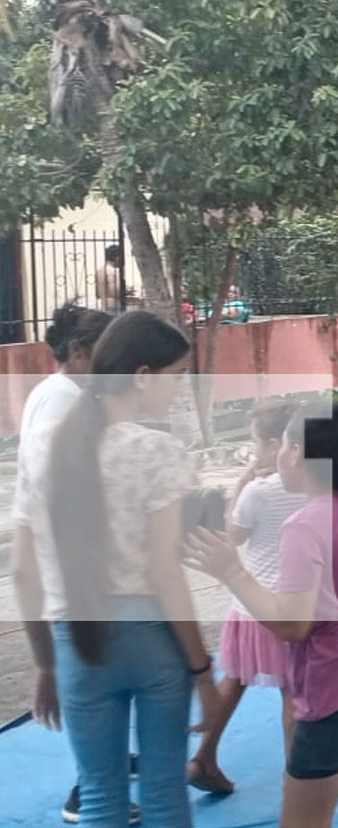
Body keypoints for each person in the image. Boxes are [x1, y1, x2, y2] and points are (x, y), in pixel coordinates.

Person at [15, 311, 221, 828]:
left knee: (102, 798)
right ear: (143, 374)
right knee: (164, 796)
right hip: (152, 643)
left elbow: (24, 570)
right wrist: (202, 671)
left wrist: (44, 662)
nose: (178, 390)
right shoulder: (158, 452)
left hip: (76, 642)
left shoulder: (42, 446)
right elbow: (165, 575)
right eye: (176, 377)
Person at [185, 403, 338, 828]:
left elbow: (292, 624)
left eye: (287, 443)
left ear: (297, 454)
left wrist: (231, 571)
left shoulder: (304, 526)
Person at [10, 305, 121, 824]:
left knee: (105, 676)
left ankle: (108, 764)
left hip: (78, 565)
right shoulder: (62, 406)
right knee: (90, 679)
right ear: (77, 352)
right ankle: (88, 788)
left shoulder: (64, 395)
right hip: (74, 569)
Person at [186, 398, 301, 796]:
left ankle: (204, 754)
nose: (254, 452)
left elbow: (231, 537)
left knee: (236, 679)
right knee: (293, 690)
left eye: (257, 443)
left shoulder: (258, 491)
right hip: (287, 607)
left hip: (250, 604)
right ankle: (296, 775)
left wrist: (241, 484)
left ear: (275, 445)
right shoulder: (313, 486)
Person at [94, 245, 129, 310]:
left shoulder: (100, 271)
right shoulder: (113, 271)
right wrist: (127, 290)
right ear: (116, 258)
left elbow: (97, 294)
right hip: (114, 306)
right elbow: (116, 291)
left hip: (103, 305)